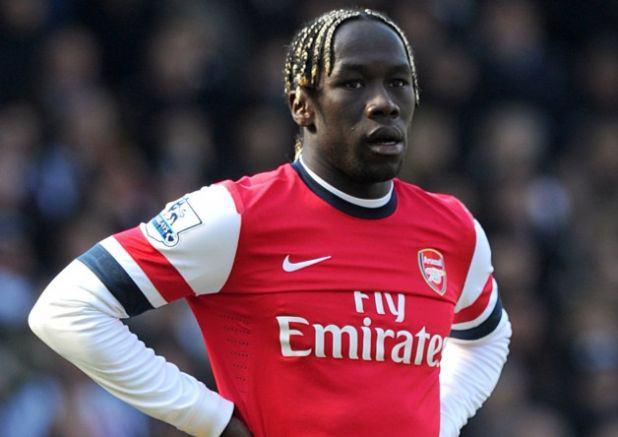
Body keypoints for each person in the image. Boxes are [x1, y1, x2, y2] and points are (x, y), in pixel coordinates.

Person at [29, 8, 511, 437]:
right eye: (353, 82)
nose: (383, 102)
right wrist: (210, 419)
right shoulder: (235, 216)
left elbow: (488, 337)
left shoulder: (453, 229)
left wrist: (440, 422)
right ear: (302, 105)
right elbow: (67, 307)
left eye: (399, 82)